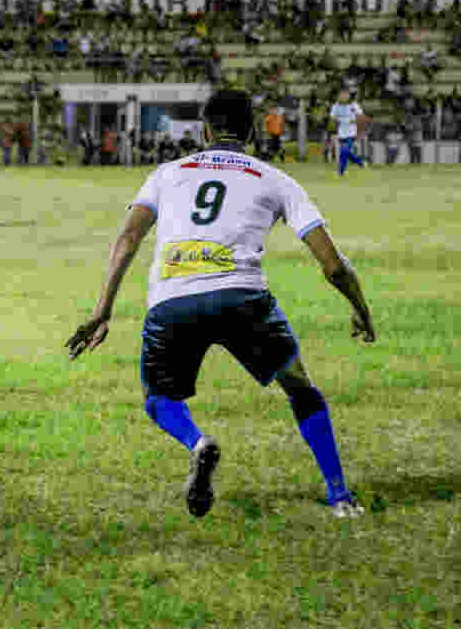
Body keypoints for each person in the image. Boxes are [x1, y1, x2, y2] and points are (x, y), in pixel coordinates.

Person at [66, 89, 374, 520]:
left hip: (173, 301)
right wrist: (361, 310)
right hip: (243, 299)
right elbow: (333, 265)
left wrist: (103, 310)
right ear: (251, 131)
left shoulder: (167, 173)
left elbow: (128, 238)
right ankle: (340, 495)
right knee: (301, 389)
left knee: (158, 399)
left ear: (205, 130)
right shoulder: (276, 179)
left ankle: (198, 443)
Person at [329, 90, 366, 176]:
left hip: (351, 133)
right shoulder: (336, 106)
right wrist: (336, 121)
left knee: (344, 150)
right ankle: (360, 163)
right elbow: (332, 118)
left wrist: (355, 121)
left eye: (346, 95)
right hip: (341, 133)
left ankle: (341, 171)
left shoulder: (353, 105)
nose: (344, 97)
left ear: (349, 96)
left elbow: (361, 117)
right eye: (342, 95)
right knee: (346, 152)